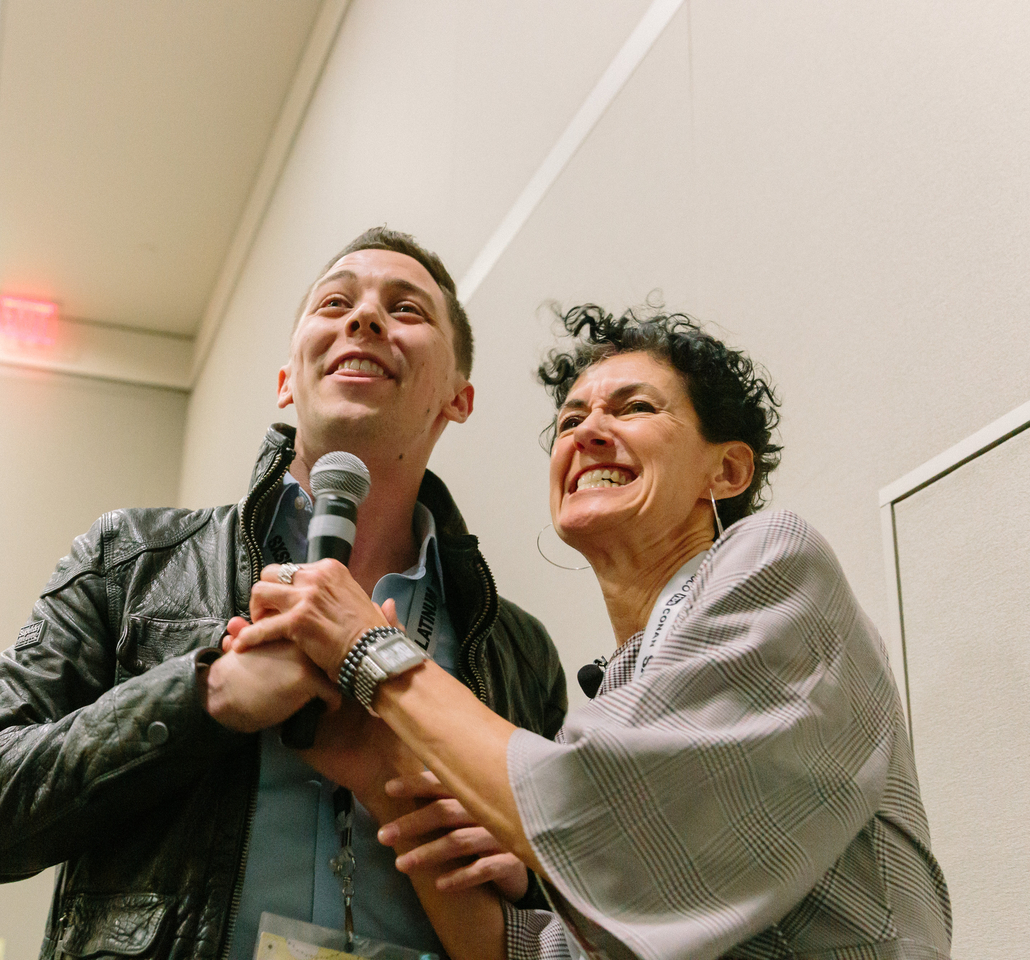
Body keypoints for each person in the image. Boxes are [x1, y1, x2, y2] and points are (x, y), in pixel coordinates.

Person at [0, 227, 569, 960]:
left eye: (407, 310)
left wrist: (520, 877)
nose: (364, 319)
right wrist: (206, 695)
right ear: (288, 380)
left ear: (459, 397)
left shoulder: (517, 652)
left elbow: (588, 907)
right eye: (335, 303)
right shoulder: (131, 560)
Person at [227, 305, 952, 960]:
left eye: (634, 408)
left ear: (726, 470)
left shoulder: (778, 560)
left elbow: (603, 815)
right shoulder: (622, 691)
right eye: (571, 421)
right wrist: (384, 773)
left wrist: (367, 651)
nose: (589, 433)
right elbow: (543, 953)